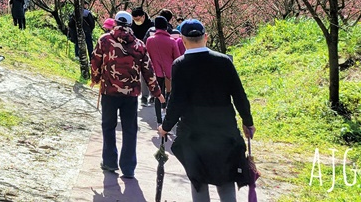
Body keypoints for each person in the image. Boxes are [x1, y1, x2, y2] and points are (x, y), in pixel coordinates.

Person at [158, 18, 255, 202]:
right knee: (225, 179)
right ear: (206, 37)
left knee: (198, 180)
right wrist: (247, 122)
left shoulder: (180, 64)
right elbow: (239, 95)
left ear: (183, 41)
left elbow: (176, 101)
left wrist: (165, 127)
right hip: (224, 132)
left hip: (194, 135)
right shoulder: (224, 61)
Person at [91, 11, 165, 180]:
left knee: (108, 127)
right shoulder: (139, 45)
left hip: (109, 92)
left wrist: (95, 79)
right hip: (131, 94)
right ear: (131, 25)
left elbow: (96, 61)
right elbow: (148, 71)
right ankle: (129, 167)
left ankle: (109, 162)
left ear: (115, 22)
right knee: (130, 130)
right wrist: (157, 93)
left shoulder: (104, 40)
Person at [145, 15, 185, 123]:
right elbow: (177, 57)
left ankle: (159, 119)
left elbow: (147, 56)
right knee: (169, 95)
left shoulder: (150, 40)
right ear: (166, 27)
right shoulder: (172, 41)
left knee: (159, 94)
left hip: (155, 72)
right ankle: (168, 118)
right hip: (170, 72)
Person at [130, 7, 155, 106]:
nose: (136, 21)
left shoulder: (152, 25)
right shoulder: (133, 25)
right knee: (141, 75)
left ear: (143, 16)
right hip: (136, 52)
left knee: (151, 74)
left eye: (138, 19)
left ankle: (153, 96)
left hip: (150, 52)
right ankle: (144, 97)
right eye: (134, 19)